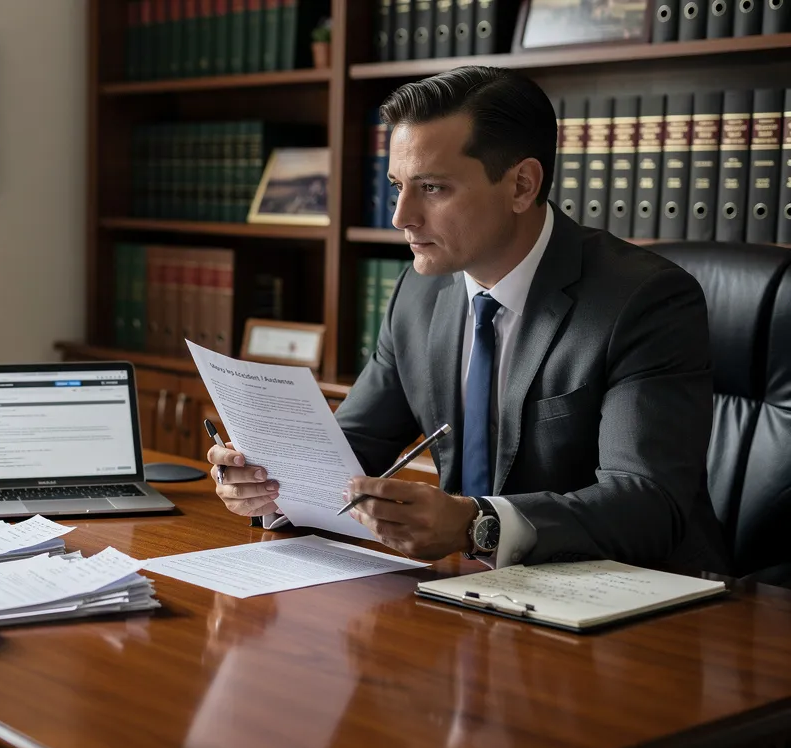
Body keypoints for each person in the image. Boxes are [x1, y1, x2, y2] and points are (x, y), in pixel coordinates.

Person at [209, 66, 728, 572]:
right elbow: (353, 448)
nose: (401, 217)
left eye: (432, 188)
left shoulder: (646, 300)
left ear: (522, 185)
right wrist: (272, 484)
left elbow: (648, 503)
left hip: (640, 611)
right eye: (398, 186)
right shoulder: (419, 291)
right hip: (473, 596)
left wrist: (478, 525)